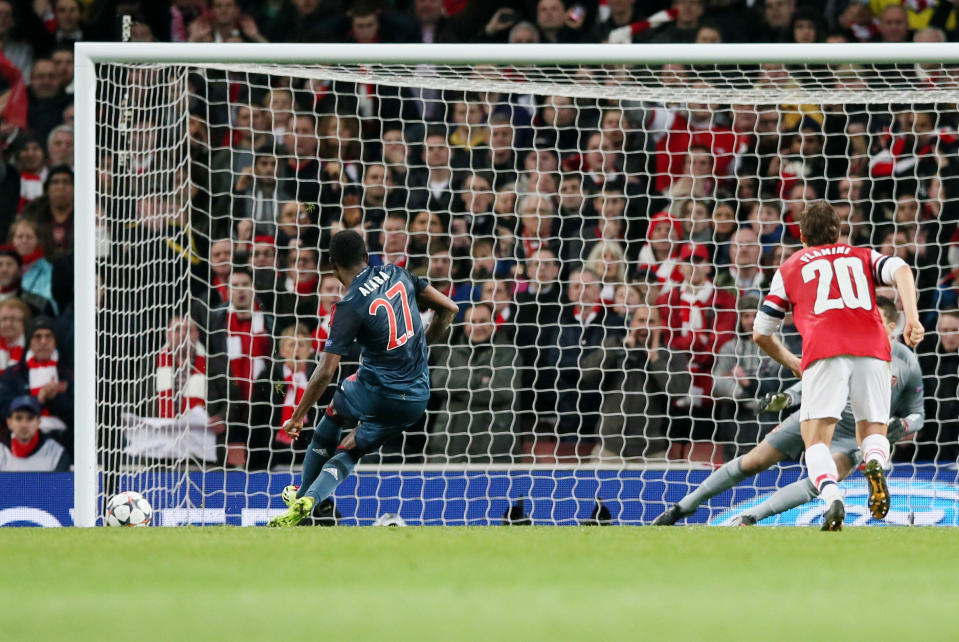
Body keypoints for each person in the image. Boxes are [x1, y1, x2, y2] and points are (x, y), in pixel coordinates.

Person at [654, 297, 923, 526]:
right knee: (753, 461)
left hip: (855, 435)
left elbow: (918, 413)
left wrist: (904, 425)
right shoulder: (845, 346)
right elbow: (814, 377)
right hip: (814, 415)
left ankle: (749, 519)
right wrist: (788, 396)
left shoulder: (906, 362)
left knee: (822, 479)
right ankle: (682, 507)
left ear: (890, 326)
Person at [750, 202, 923, 530]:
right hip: (874, 348)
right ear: (839, 231)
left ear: (801, 235)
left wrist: (792, 361)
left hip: (825, 350)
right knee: (873, 430)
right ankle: (874, 462)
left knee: (815, 441)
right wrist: (911, 318)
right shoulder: (862, 255)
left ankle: (833, 498)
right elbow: (901, 268)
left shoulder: (790, 267)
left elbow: (761, 333)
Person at [268, 230, 458, 526]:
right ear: (367, 257)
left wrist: (297, 417)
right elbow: (449, 308)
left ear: (332, 265)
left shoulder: (348, 307)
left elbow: (324, 373)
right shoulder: (398, 273)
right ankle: (310, 500)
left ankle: (304, 493)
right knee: (351, 449)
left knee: (333, 415)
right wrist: (424, 343)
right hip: (416, 399)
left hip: (374, 390)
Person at [0, 394, 70, 471]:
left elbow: (60, 483)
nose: (24, 425)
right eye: (18, 418)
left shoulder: (56, 453)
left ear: (38, 422)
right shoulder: (2, 453)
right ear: (9, 423)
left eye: (30, 418)